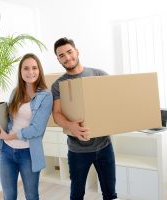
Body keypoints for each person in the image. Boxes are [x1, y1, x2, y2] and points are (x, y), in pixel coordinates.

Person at [51, 37, 118, 200]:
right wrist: (70, 126)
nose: (67, 58)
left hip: (104, 146)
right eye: (61, 55)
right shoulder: (58, 85)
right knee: (77, 194)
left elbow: (114, 103)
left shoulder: (99, 75)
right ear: (58, 59)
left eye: (69, 52)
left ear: (77, 51)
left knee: (110, 193)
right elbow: (57, 114)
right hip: (77, 150)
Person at [0, 53, 53, 200]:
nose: (30, 72)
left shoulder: (46, 96)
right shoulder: (15, 92)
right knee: (9, 196)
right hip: (6, 151)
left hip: (28, 153)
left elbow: (36, 129)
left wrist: (10, 136)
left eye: (34, 68)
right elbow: (8, 119)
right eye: (26, 68)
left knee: (31, 196)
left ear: (39, 71)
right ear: (20, 72)